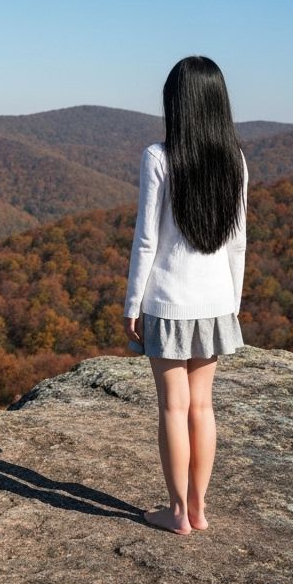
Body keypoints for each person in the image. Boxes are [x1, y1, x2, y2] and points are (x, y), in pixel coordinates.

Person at [122, 56, 248, 536]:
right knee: (203, 407)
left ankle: (177, 514)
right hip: (217, 301)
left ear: (176, 103)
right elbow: (238, 242)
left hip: (168, 299)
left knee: (174, 407)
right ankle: (199, 509)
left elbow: (147, 240)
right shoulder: (235, 159)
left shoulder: (159, 157)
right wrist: (232, 303)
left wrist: (133, 304)